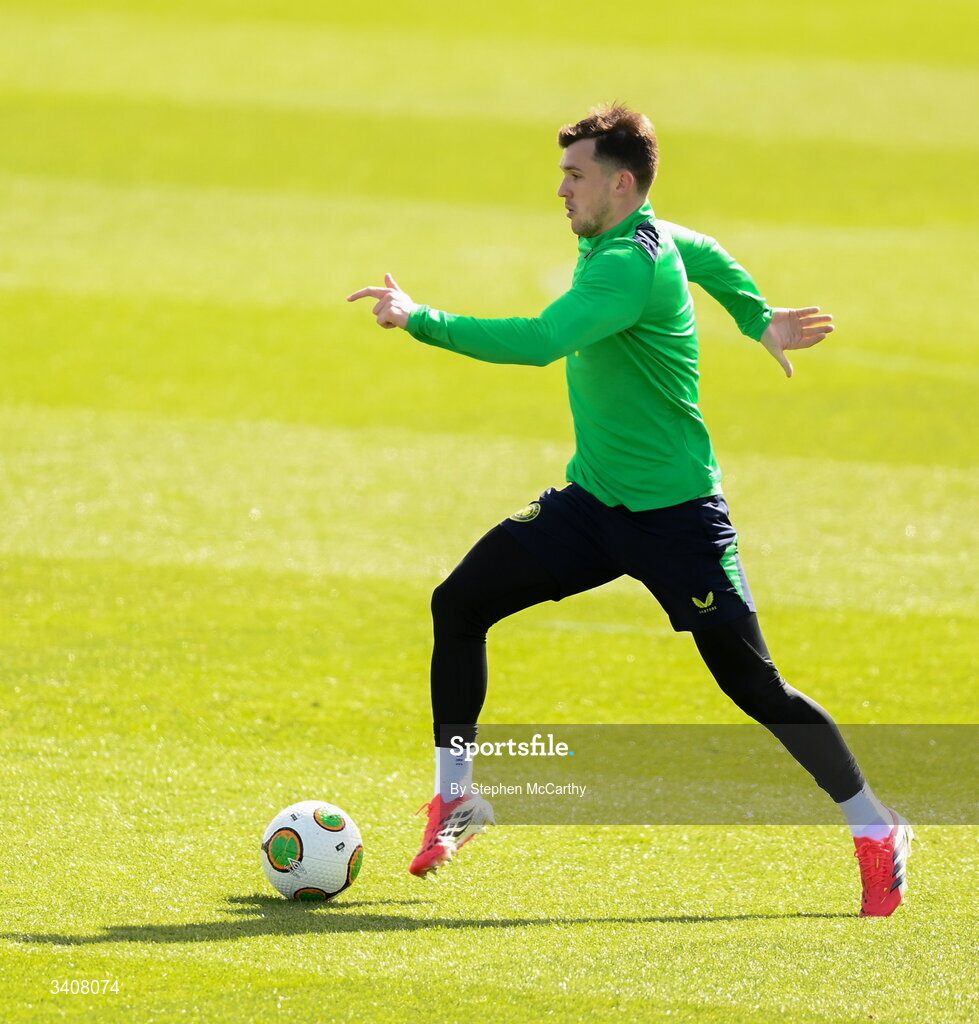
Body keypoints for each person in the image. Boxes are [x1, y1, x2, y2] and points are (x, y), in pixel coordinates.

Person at [348, 105, 912, 917]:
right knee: (460, 603)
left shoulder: (624, 268)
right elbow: (707, 253)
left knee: (754, 688)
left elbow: (540, 341)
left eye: (574, 175)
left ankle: (874, 827)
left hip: (679, 520)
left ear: (620, 182)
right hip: (594, 504)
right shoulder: (646, 237)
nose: (560, 190)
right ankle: (458, 802)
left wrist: (418, 318)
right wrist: (757, 316)